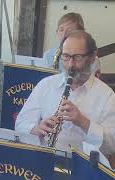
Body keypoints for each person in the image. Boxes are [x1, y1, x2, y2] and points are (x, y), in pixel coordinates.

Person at [15, 30, 115, 168]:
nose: (70, 65)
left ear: (92, 57)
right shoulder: (46, 85)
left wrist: (83, 122)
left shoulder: (106, 95)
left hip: (83, 168)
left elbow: (112, 145)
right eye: (66, 56)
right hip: (43, 161)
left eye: (78, 57)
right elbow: (20, 124)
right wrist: (36, 129)